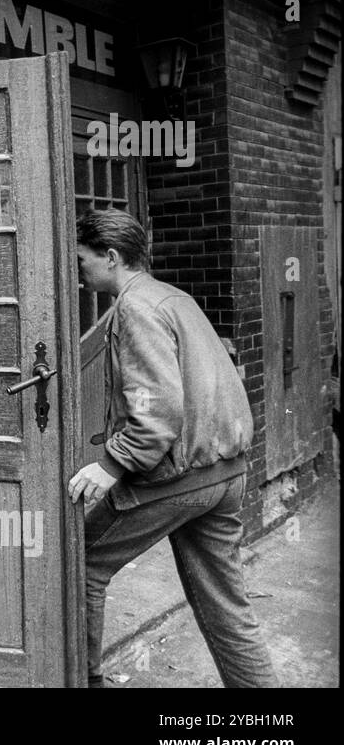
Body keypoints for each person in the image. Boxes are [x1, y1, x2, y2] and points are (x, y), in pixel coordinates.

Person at [70, 209, 276, 688]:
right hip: (224, 473)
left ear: (113, 257)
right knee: (228, 605)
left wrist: (111, 464)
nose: (80, 273)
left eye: (84, 261)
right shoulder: (174, 298)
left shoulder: (135, 306)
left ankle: (86, 681)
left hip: (177, 478)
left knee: (78, 564)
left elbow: (157, 410)